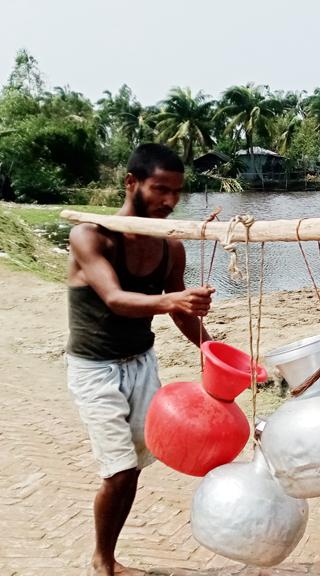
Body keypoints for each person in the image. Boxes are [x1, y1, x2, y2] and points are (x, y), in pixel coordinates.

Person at [65, 143, 215, 576]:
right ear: (131, 183)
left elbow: (180, 312)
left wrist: (212, 349)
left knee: (133, 468)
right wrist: (173, 300)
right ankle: (103, 562)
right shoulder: (90, 236)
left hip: (142, 363)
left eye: (177, 192)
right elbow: (114, 299)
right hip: (95, 368)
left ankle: (107, 559)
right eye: (159, 189)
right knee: (120, 470)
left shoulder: (170, 247)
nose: (169, 201)